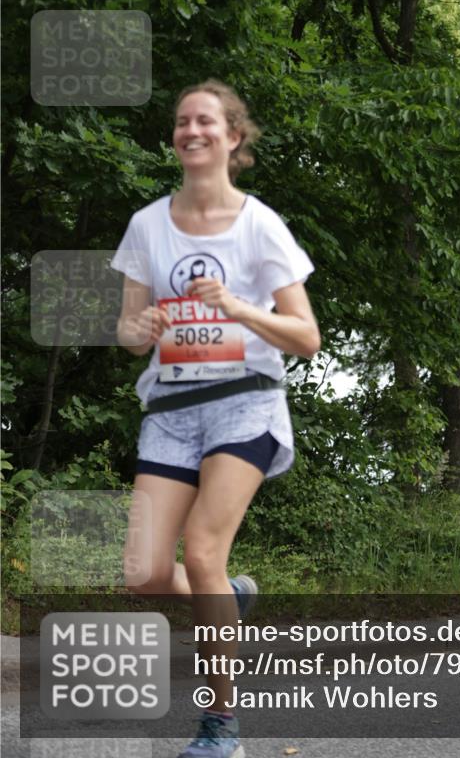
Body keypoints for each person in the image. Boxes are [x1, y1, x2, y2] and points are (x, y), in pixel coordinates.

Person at [111, 79, 320, 758]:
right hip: (170, 409)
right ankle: (227, 595)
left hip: (244, 401)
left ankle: (220, 724)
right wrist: (138, 324)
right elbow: (128, 329)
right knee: (143, 574)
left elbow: (305, 336)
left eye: (205, 120)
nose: (190, 129)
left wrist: (238, 309)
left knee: (200, 550)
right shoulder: (146, 225)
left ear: (233, 137)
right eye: (180, 121)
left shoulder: (261, 225)